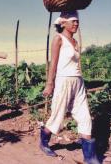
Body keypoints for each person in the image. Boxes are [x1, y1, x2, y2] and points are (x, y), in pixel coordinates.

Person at [40, 11, 100, 164]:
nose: (76, 24)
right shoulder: (58, 39)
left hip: (78, 81)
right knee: (57, 117)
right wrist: (49, 83)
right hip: (63, 81)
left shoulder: (74, 42)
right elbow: (53, 63)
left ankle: (90, 158)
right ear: (63, 23)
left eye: (77, 21)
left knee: (85, 116)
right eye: (73, 21)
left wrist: (80, 81)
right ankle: (44, 142)